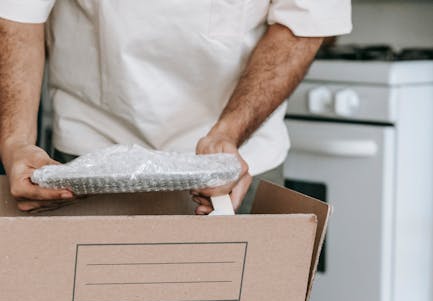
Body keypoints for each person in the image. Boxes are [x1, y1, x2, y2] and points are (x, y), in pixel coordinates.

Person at [0, 1, 351, 214]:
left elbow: (304, 22)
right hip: (91, 164)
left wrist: (229, 133)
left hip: (238, 166)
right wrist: (16, 142)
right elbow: (17, 14)